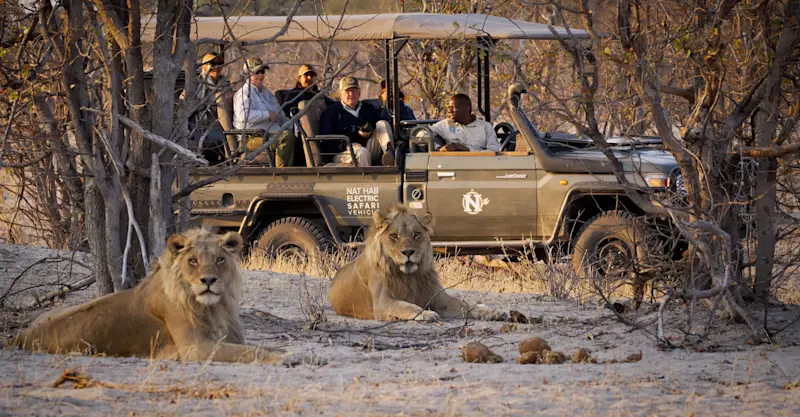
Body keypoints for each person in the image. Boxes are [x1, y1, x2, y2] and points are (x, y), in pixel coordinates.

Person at [233, 58, 297, 167]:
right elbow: (243, 116)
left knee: (295, 135)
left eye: (262, 72)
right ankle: (280, 174)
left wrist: (295, 127)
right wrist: (267, 115)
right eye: (257, 72)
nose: (261, 75)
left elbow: (280, 115)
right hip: (250, 138)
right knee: (285, 137)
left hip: (270, 134)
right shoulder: (244, 93)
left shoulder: (266, 93)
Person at [319, 77, 395, 166]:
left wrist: (369, 129)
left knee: (382, 124)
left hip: (367, 147)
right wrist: (346, 145)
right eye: (347, 91)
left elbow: (376, 121)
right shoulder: (331, 113)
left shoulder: (368, 108)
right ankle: (367, 178)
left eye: (354, 90)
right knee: (362, 153)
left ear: (359, 93)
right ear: (340, 94)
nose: (351, 94)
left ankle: (390, 155)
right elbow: (325, 142)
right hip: (344, 152)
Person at [186, 52, 234, 164]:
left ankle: (234, 151)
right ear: (204, 66)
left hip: (224, 122)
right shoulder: (196, 84)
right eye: (212, 64)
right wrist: (211, 100)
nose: (216, 67)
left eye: (219, 63)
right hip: (203, 125)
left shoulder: (226, 84)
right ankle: (232, 152)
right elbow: (189, 109)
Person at [428, 94, 500, 152]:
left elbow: (493, 151)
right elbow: (421, 133)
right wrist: (438, 148)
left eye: (452, 107)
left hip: (479, 166)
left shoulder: (485, 127)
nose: (449, 111)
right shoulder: (445, 124)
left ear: (467, 108)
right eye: (449, 107)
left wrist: (469, 151)